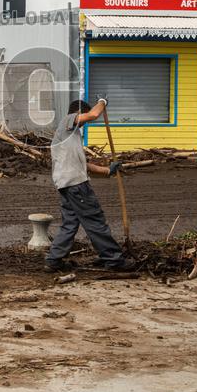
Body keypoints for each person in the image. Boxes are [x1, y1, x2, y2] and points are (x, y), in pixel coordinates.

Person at [45, 97, 132, 273]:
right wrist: (102, 102)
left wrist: (108, 170)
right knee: (94, 220)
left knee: (70, 223)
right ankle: (113, 259)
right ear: (78, 113)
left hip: (66, 185)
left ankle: (53, 260)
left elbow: (83, 165)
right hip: (76, 185)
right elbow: (93, 115)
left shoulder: (70, 136)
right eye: (82, 118)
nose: (84, 123)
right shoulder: (67, 122)